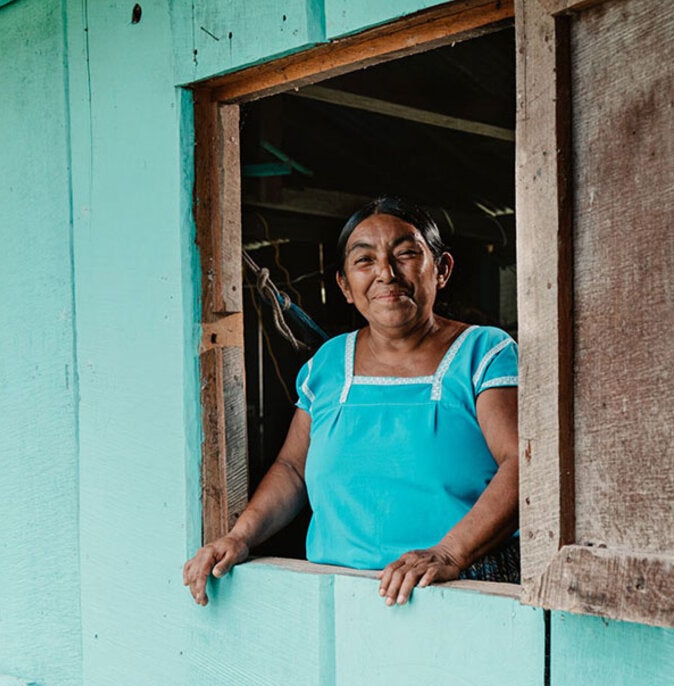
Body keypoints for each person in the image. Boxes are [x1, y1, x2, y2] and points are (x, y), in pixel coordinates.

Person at [183, 197, 519, 607]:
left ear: (442, 269)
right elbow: (292, 469)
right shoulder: (327, 364)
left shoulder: (483, 351)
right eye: (364, 261)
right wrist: (239, 536)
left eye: (406, 254)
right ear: (344, 285)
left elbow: (521, 461)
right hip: (338, 592)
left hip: (457, 586)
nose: (385, 273)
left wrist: (450, 553)